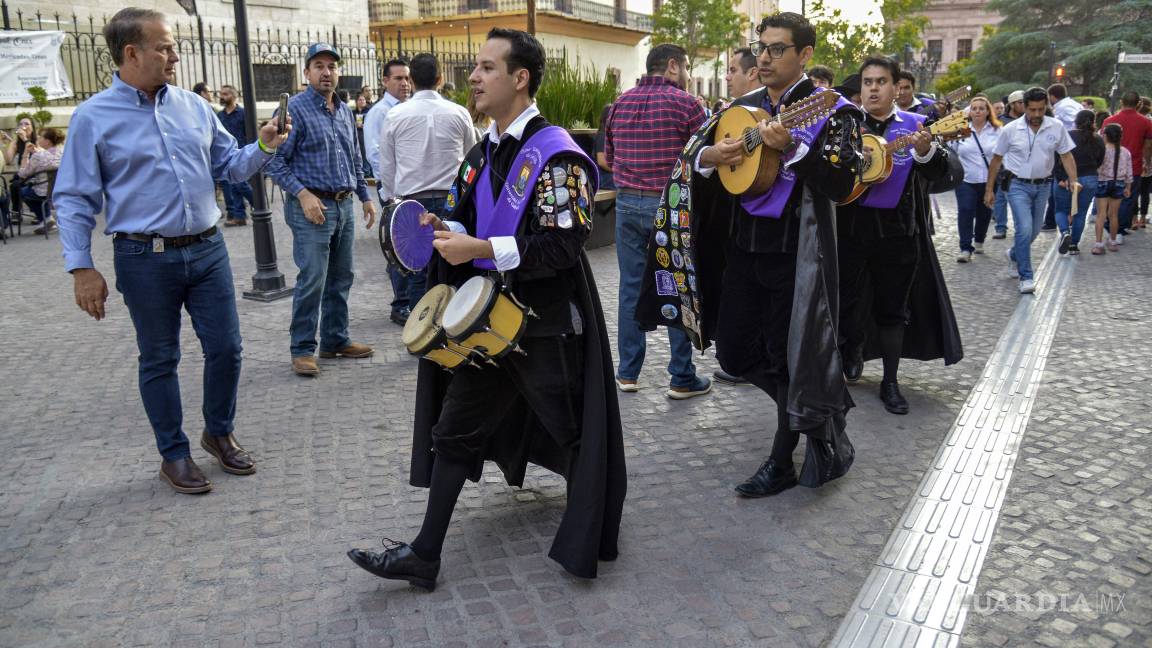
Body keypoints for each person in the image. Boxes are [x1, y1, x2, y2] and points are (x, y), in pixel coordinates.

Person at [346, 27, 626, 588]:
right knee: (454, 431)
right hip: (486, 327)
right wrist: (445, 229)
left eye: (485, 68)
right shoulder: (480, 154)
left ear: (519, 79)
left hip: (544, 327)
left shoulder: (559, 156)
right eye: (475, 68)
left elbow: (565, 245)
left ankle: (593, 524)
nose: (472, 77)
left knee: (572, 433)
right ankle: (425, 555)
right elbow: (464, 218)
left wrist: (480, 249)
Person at [54, 7, 290, 494]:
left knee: (226, 348)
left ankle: (218, 432)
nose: (174, 55)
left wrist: (263, 146)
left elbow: (229, 165)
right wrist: (81, 267)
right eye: (164, 47)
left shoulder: (193, 106)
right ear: (131, 53)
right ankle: (174, 454)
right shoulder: (92, 117)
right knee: (159, 358)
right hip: (143, 259)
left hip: (207, 249)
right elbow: (75, 198)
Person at [638, 12, 865, 497]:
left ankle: (782, 460)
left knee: (786, 358)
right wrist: (710, 157)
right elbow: (694, 157)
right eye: (761, 47)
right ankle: (811, 409)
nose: (763, 57)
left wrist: (796, 154)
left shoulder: (835, 111)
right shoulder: (740, 108)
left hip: (797, 255)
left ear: (805, 55)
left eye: (777, 49)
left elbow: (845, 183)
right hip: (741, 249)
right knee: (737, 353)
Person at [837, 56, 962, 415]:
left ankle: (890, 381)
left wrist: (924, 151)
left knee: (893, 311)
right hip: (849, 232)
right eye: (867, 82)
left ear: (896, 88)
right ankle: (851, 352)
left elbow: (942, 173)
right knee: (845, 303)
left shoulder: (917, 125)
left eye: (881, 81)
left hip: (898, 234)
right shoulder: (845, 125)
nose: (873, 88)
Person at [604, 43, 712, 399]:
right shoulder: (687, 104)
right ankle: (681, 376)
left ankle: (628, 373)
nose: (687, 76)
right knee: (674, 285)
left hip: (625, 206)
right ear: (671, 66)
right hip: (667, 207)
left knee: (630, 289)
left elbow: (610, 155)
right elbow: (705, 158)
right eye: (685, 68)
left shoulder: (620, 103)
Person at [266, 42, 378, 377]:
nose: (326, 72)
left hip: (343, 206)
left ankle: (334, 340)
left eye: (331, 66)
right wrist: (302, 195)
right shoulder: (293, 112)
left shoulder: (344, 110)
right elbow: (273, 163)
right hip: (311, 208)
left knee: (342, 277)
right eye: (318, 66)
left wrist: (365, 196)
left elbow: (354, 158)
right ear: (306, 73)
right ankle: (302, 348)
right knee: (313, 277)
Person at [378, 52, 477, 311]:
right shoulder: (460, 113)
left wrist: (391, 201)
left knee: (417, 271)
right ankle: (453, 328)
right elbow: (471, 159)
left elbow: (386, 166)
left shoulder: (396, 115)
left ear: (411, 79)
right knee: (454, 265)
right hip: (452, 200)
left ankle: (421, 334)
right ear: (441, 79)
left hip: (411, 203)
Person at [984, 87, 1079, 295]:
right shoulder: (1010, 130)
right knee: (1024, 229)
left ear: (1046, 107)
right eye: (1032, 110)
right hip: (1017, 185)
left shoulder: (1056, 127)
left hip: (1044, 185)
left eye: (1041, 110)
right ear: (1023, 107)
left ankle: (1014, 254)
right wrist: (989, 189)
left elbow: (1066, 156)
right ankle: (1026, 276)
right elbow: (997, 159)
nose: (1036, 115)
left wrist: (1074, 180)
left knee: (1034, 230)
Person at [364, 58, 416, 324]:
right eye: (398, 78)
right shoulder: (379, 113)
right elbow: (375, 155)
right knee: (400, 249)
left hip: (413, 190)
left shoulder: (412, 108)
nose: (405, 83)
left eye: (407, 78)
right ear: (385, 81)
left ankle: (406, 298)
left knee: (406, 247)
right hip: (396, 192)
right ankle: (401, 305)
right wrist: (391, 191)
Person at [950, 95, 1000, 263]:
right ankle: (965, 248)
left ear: (988, 112)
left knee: (984, 212)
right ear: (969, 112)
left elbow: (1002, 155)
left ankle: (979, 239)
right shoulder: (962, 130)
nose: (977, 111)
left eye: (981, 108)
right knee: (965, 210)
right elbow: (951, 151)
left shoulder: (997, 131)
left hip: (989, 179)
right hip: (965, 180)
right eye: (974, 108)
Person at [1053, 109, 1103, 255]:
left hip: (1068, 178)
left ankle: (1064, 233)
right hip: (1090, 178)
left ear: (1076, 121)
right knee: (1080, 213)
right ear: (1093, 122)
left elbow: (1057, 159)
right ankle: (1074, 245)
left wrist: (1060, 177)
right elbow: (1100, 161)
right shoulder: (1098, 139)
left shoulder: (1067, 136)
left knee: (1061, 210)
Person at [1103, 91, 1152, 236]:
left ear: (1121, 102)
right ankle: (1120, 228)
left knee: (1109, 196)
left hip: (1110, 166)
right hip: (1134, 165)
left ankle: (1109, 223)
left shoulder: (1109, 121)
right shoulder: (1146, 122)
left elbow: (1102, 144)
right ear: (1139, 104)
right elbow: (1148, 146)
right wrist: (1147, 163)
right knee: (1128, 198)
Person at [216, 84, 255, 226]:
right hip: (225, 154)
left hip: (242, 153)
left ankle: (257, 203)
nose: (222, 96)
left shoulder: (243, 113)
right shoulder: (219, 116)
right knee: (233, 186)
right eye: (221, 94)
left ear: (234, 96)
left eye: (226, 94)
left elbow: (251, 132)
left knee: (240, 184)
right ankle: (239, 216)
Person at [1090, 123, 1132, 254]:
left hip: (1102, 182)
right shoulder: (1125, 152)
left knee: (1101, 215)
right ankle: (1113, 242)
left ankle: (1098, 244)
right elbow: (1129, 172)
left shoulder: (1101, 150)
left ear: (1105, 136)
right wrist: (1128, 187)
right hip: (1119, 183)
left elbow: (1096, 168)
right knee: (1114, 215)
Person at [17, 127, 64, 233]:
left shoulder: (39, 156)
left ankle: (46, 219)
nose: (38, 138)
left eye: (41, 136)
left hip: (43, 192)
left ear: (47, 141)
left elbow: (22, 174)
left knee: (23, 191)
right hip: (63, 188)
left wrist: (26, 153)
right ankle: (48, 220)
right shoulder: (64, 152)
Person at [4, 117, 36, 218]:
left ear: (33, 128)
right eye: (21, 124)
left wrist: (25, 139)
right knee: (14, 185)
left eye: (27, 124)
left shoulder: (39, 139)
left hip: (38, 176)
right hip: (23, 175)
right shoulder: (16, 143)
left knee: (17, 185)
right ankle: (16, 213)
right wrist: (5, 143)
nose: (23, 126)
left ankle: (38, 212)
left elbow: (38, 153)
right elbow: (8, 160)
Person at [351, 94, 372, 179]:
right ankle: (360, 170)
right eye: (360, 100)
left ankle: (367, 171)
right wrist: (354, 124)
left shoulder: (369, 111)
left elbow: (371, 123)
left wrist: (364, 125)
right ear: (356, 102)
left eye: (363, 100)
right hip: (356, 134)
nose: (362, 101)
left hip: (365, 134)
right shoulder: (353, 112)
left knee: (365, 152)